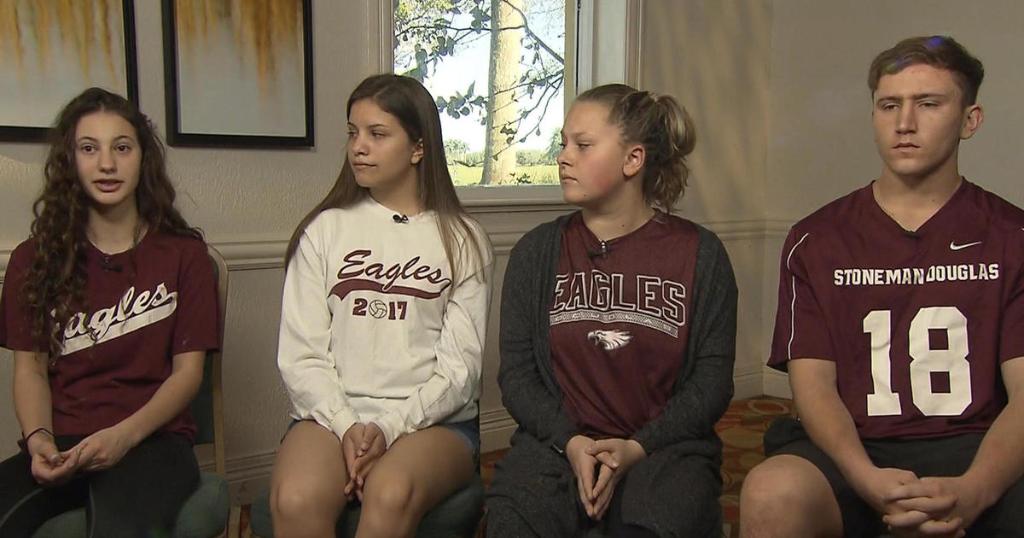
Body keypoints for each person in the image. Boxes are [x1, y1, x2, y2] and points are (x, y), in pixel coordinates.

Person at [740, 36, 1024, 538]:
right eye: (889, 105)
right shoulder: (818, 240)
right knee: (771, 492)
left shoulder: (1012, 236)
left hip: (977, 444)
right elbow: (813, 388)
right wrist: (865, 477)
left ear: (970, 120)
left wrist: (976, 489)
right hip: (855, 447)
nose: (904, 123)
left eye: (928, 104)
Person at [485, 83, 738, 537]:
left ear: (633, 159)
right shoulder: (536, 253)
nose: (563, 157)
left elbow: (711, 384)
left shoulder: (701, 254)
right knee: (512, 522)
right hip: (556, 446)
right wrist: (571, 441)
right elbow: (518, 376)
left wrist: (639, 447)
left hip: (664, 449)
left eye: (582, 146)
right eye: (563, 143)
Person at [269, 74, 494, 537]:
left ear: (418, 147)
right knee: (295, 499)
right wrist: (346, 423)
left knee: (389, 492)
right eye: (353, 132)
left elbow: (460, 372)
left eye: (377, 134)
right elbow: (301, 355)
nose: (359, 147)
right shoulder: (324, 230)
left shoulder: (462, 239)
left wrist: (390, 427)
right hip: (331, 416)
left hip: (432, 423)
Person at [0, 87, 219, 537]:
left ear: (143, 158)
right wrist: (39, 439)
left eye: (121, 148)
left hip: (154, 441)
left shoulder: (185, 256)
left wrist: (123, 436)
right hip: (65, 442)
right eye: (88, 148)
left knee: (116, 528)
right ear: (70, 161)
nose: (106, 164)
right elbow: (30, 370)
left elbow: (187, 376)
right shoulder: (32, 260)